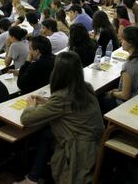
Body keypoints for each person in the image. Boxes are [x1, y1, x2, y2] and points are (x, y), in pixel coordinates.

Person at [20, 51, 104, 184]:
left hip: (79, 150)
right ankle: (34, 177)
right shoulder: (86, 87)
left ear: (58, 72)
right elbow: (70, 109)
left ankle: (32, 178)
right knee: (47, 134)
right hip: (94, 144)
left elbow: (26, 119)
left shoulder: (62, 96)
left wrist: (30, 106)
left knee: (45, 133)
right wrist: (48, 102)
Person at [104, 27, 138, 111]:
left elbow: (125, 96)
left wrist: (112, 93)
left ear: (131, 43)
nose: (120, 42)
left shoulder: (129, 66)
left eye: (123, 39)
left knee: (99, 100)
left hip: (129, 106)